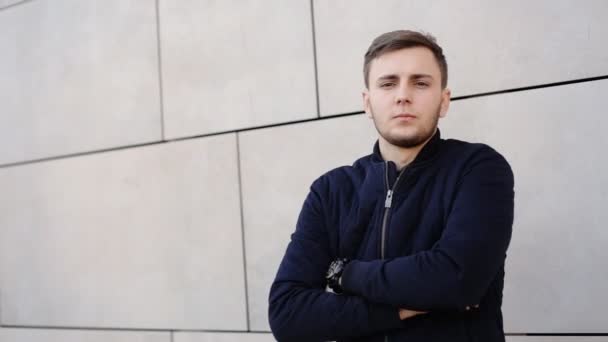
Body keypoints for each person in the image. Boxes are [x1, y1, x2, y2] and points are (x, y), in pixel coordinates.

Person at [268, 30, 514, 342]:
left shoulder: (477, 169)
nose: (403, 95)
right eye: (388, 83)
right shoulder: (331, 191)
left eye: (420, 83)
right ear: (368, 103)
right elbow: (287, 314)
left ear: (444, 100)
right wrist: (396, 310)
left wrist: (345, 274)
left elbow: (457, 278)